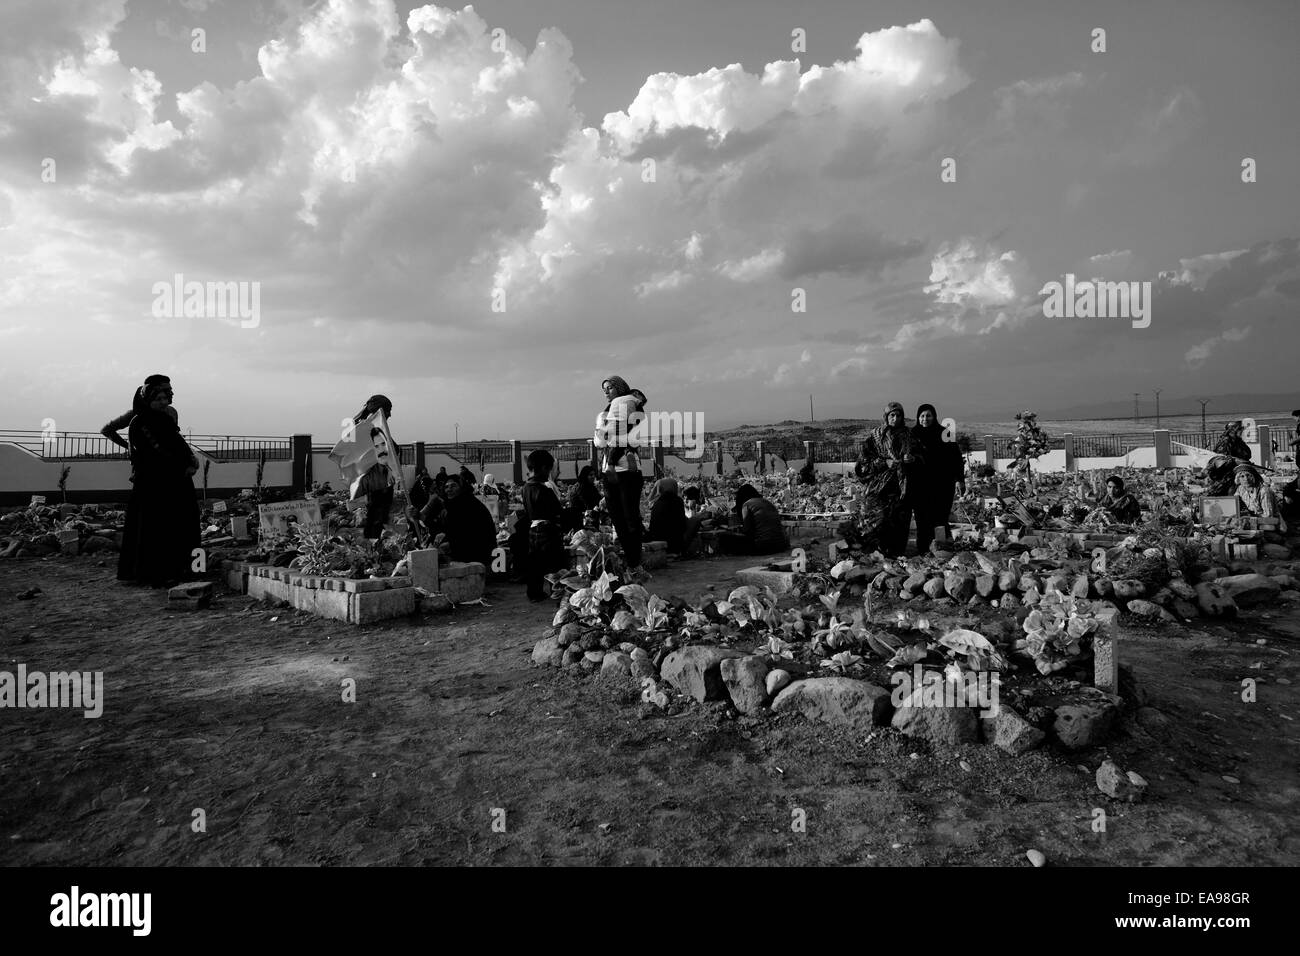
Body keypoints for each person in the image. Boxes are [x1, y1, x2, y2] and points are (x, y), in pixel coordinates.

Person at [116, 382, 200, 587]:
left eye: (165, 398)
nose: (163, 402)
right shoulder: (140, 423)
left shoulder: (165, 419)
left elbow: (178, 444)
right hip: (154, 485)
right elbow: (151, 454)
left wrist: (191, 460)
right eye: (158, 399)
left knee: (185, 524)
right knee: (156, 529)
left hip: (177, 483)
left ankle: (194, 568)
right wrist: (182, 465)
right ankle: (155, 573)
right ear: (148, 400)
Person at [854, 401, 920, 556]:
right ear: (886, 417)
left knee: (900, 523)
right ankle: (877, 555)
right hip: (880, 489)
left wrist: (913, 459)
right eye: (892, 415)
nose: (895, 418)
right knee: (879, 522)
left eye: (898, 415)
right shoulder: (876, 437)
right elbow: (863, 464)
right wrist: (884, 462)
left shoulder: (909, 436)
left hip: (902, 489)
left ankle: (897, 557)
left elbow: (922, 458)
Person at [595, 375, 646, 573]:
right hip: (611, 470)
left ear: (619, 388)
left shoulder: (628, 405)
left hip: (627, 468)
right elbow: (601, 439)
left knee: (629, 517)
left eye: (610, 388)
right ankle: (631, 561)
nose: (606, 392)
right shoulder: (609, 411)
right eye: (604, 389)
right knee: (618, 518)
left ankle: (635, 562)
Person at [909, 403, 965, 553]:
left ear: (934, 417)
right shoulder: (912, 435)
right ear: (917, 418)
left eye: (928, 415)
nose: (925, 419)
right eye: (922, 416)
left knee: (940, 516)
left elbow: (956, 457)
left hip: (942, 484)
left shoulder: (944, 433)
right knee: (922, 517)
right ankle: (923, 548)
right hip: (920, 484)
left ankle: (942, 548)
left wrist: (960, 478)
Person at [521, 449, 566, 601]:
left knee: (535, 563)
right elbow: (557, 511)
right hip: (547, 529)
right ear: (543, 468)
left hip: (533, 527)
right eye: (548, 469)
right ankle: (556, 592)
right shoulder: (544, 489)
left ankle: (534, 593)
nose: (549, 473)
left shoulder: (526, 487)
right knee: (554, 563)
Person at [350, 394, 395, 540]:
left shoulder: (375, 431)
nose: (390, 414)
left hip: (383, 485)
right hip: (378, 486)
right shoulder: (370, 431)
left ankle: (374, 547)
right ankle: (374, 551)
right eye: (388, 410)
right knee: (376, 520)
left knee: (377, 520)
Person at [439, 474, 497, 568]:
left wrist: (451, 544)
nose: (449, 489)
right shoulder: (451, 506)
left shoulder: (471, 505)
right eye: (446, 487)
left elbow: (472, 534)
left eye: (453, 486)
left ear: (462, 488)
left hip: (477, 554)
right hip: (463, 551)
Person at [715, 483, 789, 555]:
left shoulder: (746, 505)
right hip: (781, 545)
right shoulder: (767, 502)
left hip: (765, 546)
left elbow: (747, 531)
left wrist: (736, 530)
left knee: (724, 538)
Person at [647, 477, 689, 554]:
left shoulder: (657, 501)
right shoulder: (677, 501)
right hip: (674, 543)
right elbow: (682, 523)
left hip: (657, 538)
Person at [1235, 464, 1285, 529]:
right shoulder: (1240, 489)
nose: (1246, 479)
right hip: (1253, 519)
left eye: (1248, 475)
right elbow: (1235, 503)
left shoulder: (1264, 491)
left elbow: (1268, 516)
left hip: (1268, 521)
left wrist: (1249, 519)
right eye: (1242, 476)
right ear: (1238, 479)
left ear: (1254, 477)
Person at [565, 464, 603, 531]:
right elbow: (587, 504)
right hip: (580, 517)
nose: (593, 477)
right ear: (585, 476)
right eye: (590, 475)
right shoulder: (581, 487)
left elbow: (597, 498)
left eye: (594, 475)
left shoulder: (590, 486)